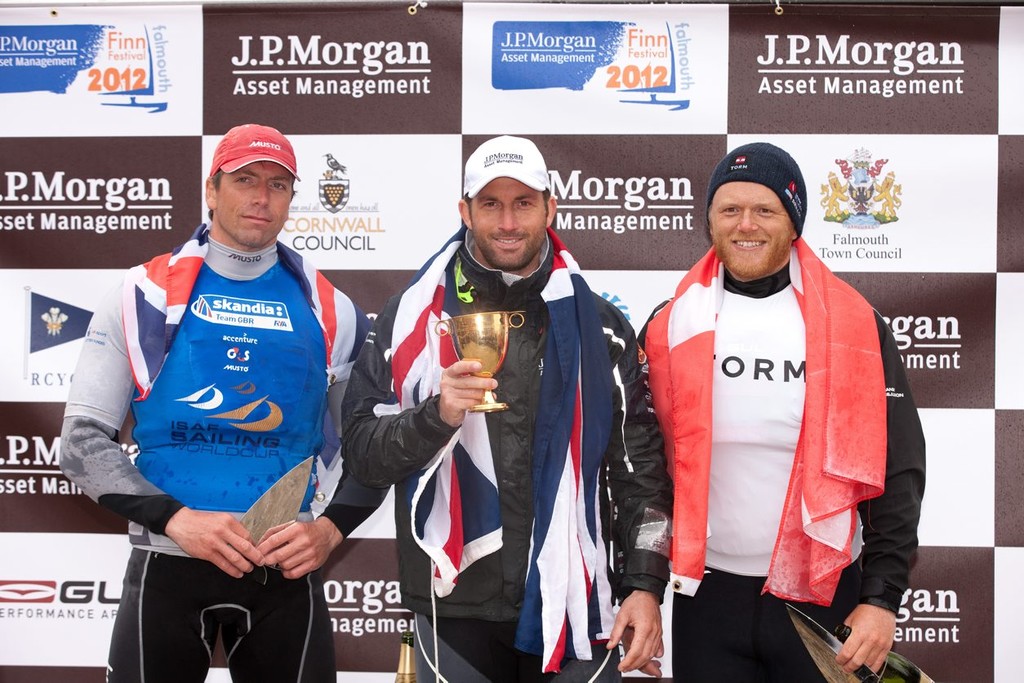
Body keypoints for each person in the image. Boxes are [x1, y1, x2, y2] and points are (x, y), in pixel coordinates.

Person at [59, 123, 385, 683]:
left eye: (279, 184)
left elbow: (372, 452)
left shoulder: (333, 309)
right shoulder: (142, 296)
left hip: (283, 572)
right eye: (245, 180)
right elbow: (81, 444)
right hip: (168, 562)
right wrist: (177, 520)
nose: (261, 197)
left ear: (291, 198)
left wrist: (329, 530)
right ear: (212, 190)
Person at [341, 135, 673, 681]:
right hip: (453, 604)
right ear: (464, 211)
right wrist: (437, 416)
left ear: (550, 207)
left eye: (523, 203)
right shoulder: (411, 319)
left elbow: (641, 475)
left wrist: (643, 584)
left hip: (575, 603)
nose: (508, 222)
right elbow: (361, 454)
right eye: (490, 204)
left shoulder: (601, 326)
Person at [641, 142, 926, 680]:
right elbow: (644, 470)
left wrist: (883, 598)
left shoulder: (854, 326)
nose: (745, 224)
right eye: (729, 209)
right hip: (706, 597)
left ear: (793, 222)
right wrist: (642, 587)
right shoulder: (669, 324)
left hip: (821, 595)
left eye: (765, 209)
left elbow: (899, 467)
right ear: (709, 221)